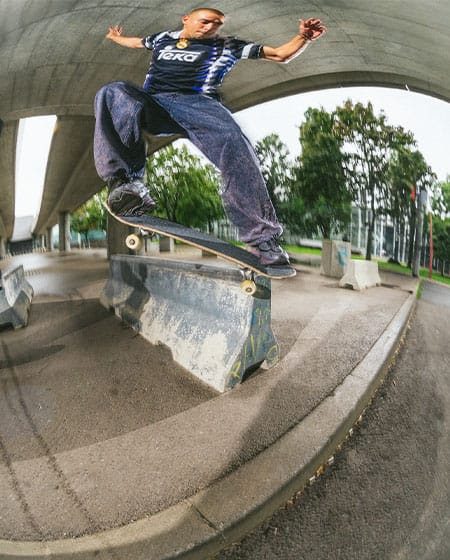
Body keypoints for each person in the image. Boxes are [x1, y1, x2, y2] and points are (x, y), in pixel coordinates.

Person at [94, 8, 326, 266]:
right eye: (205, 22)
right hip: (156, 104)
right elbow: (137, 42)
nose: (210, 28)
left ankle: (263, 240)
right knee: (113, 93)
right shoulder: (163, 38)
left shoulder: (227, 45)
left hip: (198, 105)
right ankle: (127, 184)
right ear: (186, 19)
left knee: (234, 143)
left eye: (216, 24)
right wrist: (116, 38)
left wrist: (303, 38)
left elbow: (280, 54)